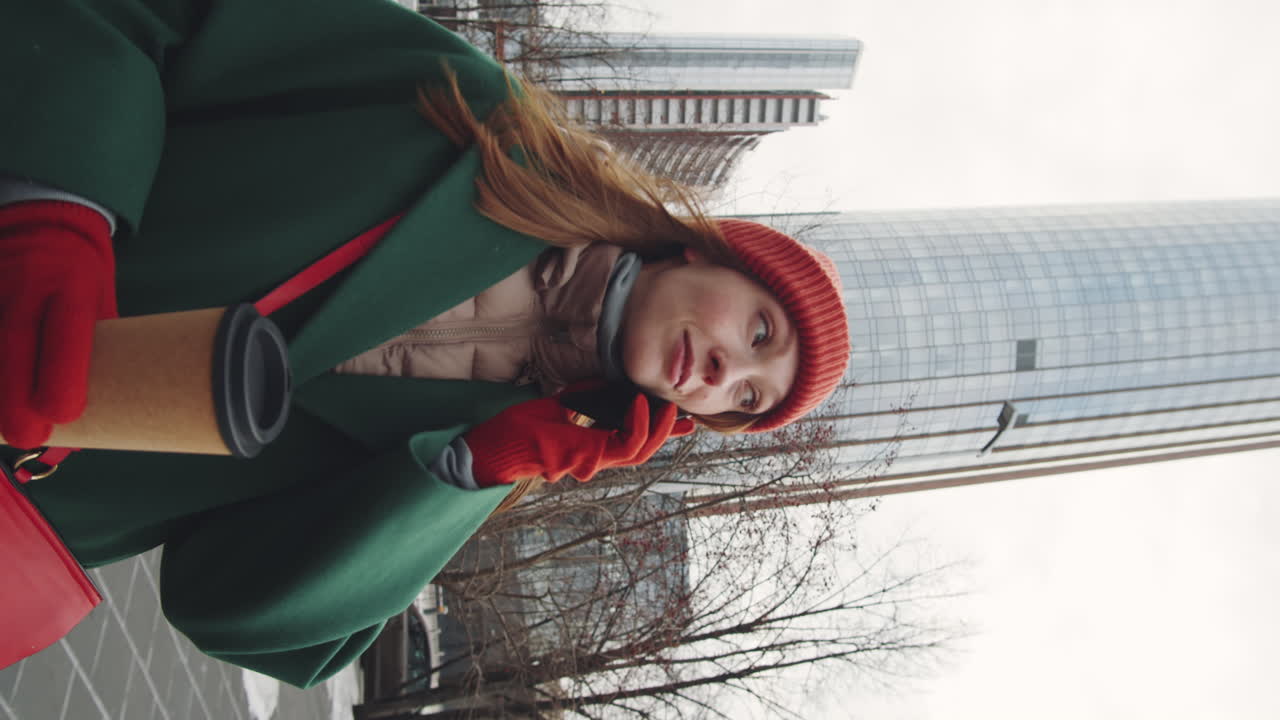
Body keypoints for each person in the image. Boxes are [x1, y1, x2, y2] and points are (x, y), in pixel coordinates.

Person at [0, 0, 850, 687]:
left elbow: (228, 606)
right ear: (713, 253)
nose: (725, 370)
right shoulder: (472, 118)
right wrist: (60, 211)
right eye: (759, 331)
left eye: (746, 397)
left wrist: (464, 474)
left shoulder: (479, 460)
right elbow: (162, 20)